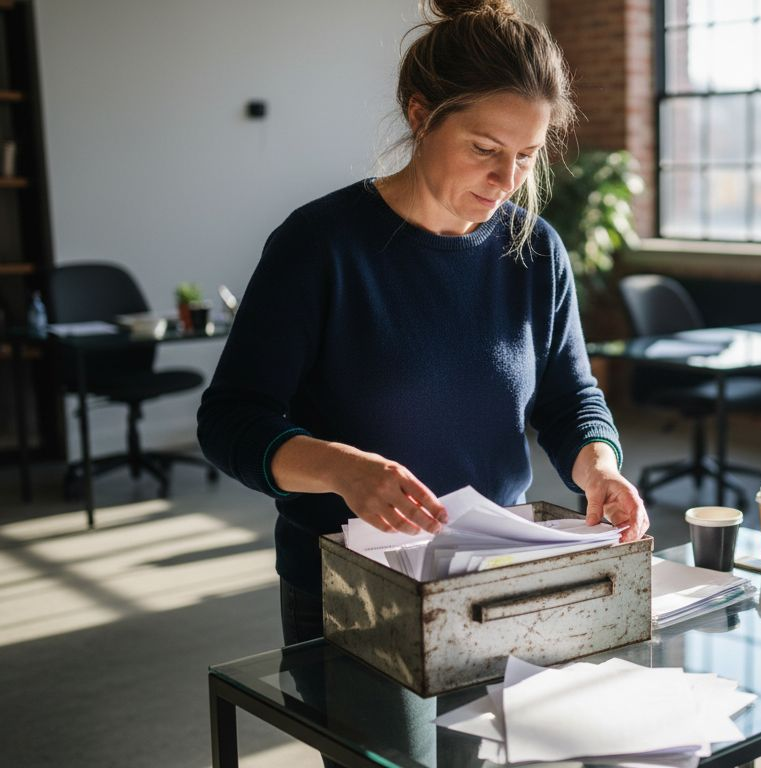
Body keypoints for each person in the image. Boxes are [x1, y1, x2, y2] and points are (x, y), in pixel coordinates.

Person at [197, 0, 649, 652]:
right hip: (350, 582)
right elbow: (231, 421)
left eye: (527, 155)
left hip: (492, 571)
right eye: (484, 149)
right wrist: (339, 469)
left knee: (494, 752)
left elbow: (566, 397)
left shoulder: (536, 250)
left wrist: (600, 468)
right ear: (419, 116)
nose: (506, 180)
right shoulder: (321, 245)